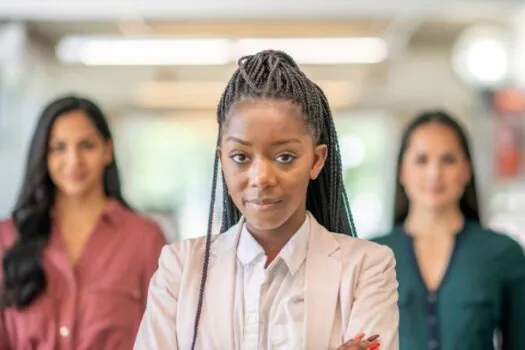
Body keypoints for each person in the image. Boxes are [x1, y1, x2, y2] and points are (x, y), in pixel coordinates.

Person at [134, 50, 399, 350]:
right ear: (222, 160)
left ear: (316, 160)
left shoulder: (367, 267)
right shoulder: (181, 269)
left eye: (284, 157)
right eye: (241, 157)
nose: (261, 177)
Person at [0, 95, 167, 349]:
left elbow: (162, 337)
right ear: (43, 156)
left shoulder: (145, 239)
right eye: (58, 147)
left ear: (107, 150)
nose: (73, 160)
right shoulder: (7, 238)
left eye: (86, 145)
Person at [372, 111, 525, 350]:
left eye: (448, 160)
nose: (435, 173)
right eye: (422, 160)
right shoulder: (370, 255)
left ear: (466, 170)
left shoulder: (504, 254)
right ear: (402, 171)